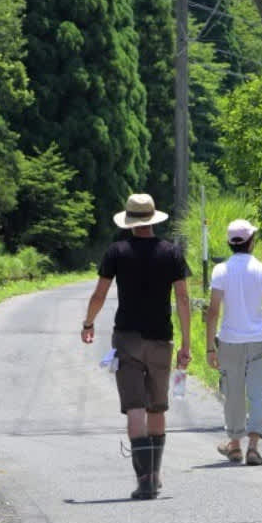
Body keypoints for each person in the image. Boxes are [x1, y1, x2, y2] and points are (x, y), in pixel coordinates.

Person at [81, 192, 193, 499]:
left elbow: (99, 295)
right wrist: (186, 342)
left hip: (127, 339)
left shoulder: (116, 252)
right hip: (161, 338)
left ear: (130, 222)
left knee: (135, 408)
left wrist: (88, 323)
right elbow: (183, 299)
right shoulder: (171, 252)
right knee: (157, 406)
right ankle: (156, 475)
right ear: (153, 219)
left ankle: (144, 479)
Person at [206, 219, 262, 466]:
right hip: (259, 340)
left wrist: (210, 347)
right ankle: (253, 447)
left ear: (229, 243)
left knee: (233, 394)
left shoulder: (220, 271)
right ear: (251, 242)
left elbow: (213, 311)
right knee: (258, 394)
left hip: (230, 340)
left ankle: (234, 445)